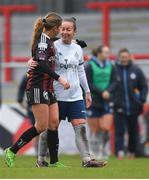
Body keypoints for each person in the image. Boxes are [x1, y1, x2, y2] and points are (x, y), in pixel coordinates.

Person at [29, 17, 107, 168]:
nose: (64, 32)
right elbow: (39, 59)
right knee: (50, 129)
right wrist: (29, 61)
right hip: (56, 95)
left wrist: (87, 91)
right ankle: (40, 160)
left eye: (68, 29)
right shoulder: (52, 45)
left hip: (75, 95)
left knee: (81, 127)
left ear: (74, 32)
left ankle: (87, 160)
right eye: (62, 29)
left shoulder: (77, 48)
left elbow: (80, 70)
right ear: (58, 29)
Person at [5, 12, 70, 168]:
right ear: (54, 27)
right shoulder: (42, 43)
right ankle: (12, 151)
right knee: (41, 126)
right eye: (59, 28)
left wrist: (77, 42)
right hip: (37, 87)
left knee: (54, 123)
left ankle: (54, 162)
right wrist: (59, 78)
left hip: (48, 87)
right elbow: (41, 63)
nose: (61, 31)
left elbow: (60, 41)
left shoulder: (49, 41)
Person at [113, 48, 148, 159]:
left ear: (129, 57)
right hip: (118, 106)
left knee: (133, 132)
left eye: (126, 57)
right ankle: (120, 153)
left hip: (134, 107)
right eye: (122, 57)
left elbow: (144, 86)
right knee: (119, 131)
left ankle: (131, 152)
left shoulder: (136, 70)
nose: (124, 59)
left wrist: (141, 99)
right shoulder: (114, 70)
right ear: (119, 57)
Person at [85, 45, 116, 159]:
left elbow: (115, 81)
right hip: (94, 99)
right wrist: (101, 91)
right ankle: (94, 151)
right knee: (94, 129)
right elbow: (87, 82)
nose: (108, 55)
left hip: (107, 99)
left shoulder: (111, 66)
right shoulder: (89, 65)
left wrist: (108, 91)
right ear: (99, 53)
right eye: (106, 52)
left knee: (106, 127)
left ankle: (104, 148)